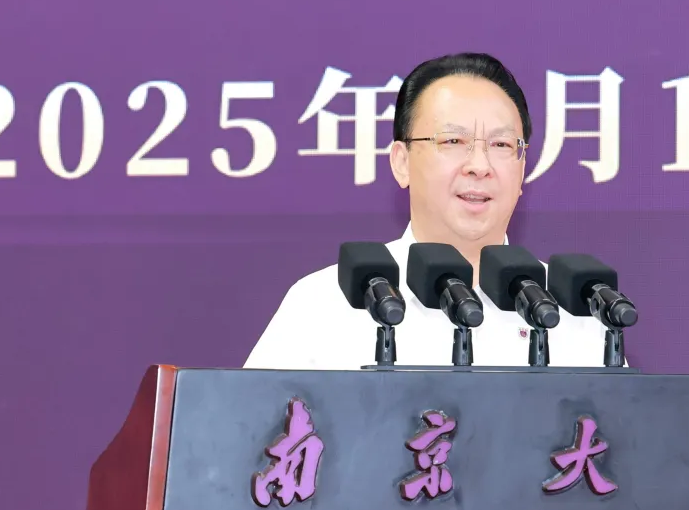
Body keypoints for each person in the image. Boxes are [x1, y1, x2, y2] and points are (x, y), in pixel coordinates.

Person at [243, 53, 614, 370]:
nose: (479, 166)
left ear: (522, 169)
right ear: (401, 162)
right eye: (453, 141)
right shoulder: (324, 305)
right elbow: (256, 428)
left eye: (502, 145)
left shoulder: (577, 312)